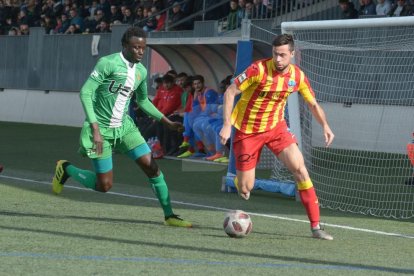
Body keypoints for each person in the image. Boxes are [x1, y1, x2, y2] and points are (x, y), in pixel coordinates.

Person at [52, 27, 192, 228]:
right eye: (136, 47)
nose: (140, 52)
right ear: (125, 46)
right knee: (105, 185)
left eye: (143, 48)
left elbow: (143, 100)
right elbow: (85, 93)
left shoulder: (141, 72)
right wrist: (96, 129)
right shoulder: (107, 63)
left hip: (126, 129)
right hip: (99, 130)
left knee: (152, 167)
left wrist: (167, 121)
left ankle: (169, 215)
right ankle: (66, 169)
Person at [219, 34, 335, 240]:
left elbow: (313, 104)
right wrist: (228, 124)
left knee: (300, 170)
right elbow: (230, 92)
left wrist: (325, 125)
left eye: (282, 55)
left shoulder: (297, 76)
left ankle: (316, 227)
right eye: (275, 55)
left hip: (276, 129)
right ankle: (239, 181)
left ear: (292, 54)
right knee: (246, 189)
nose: (278, 59)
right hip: (247, 131)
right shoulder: (258, 69)